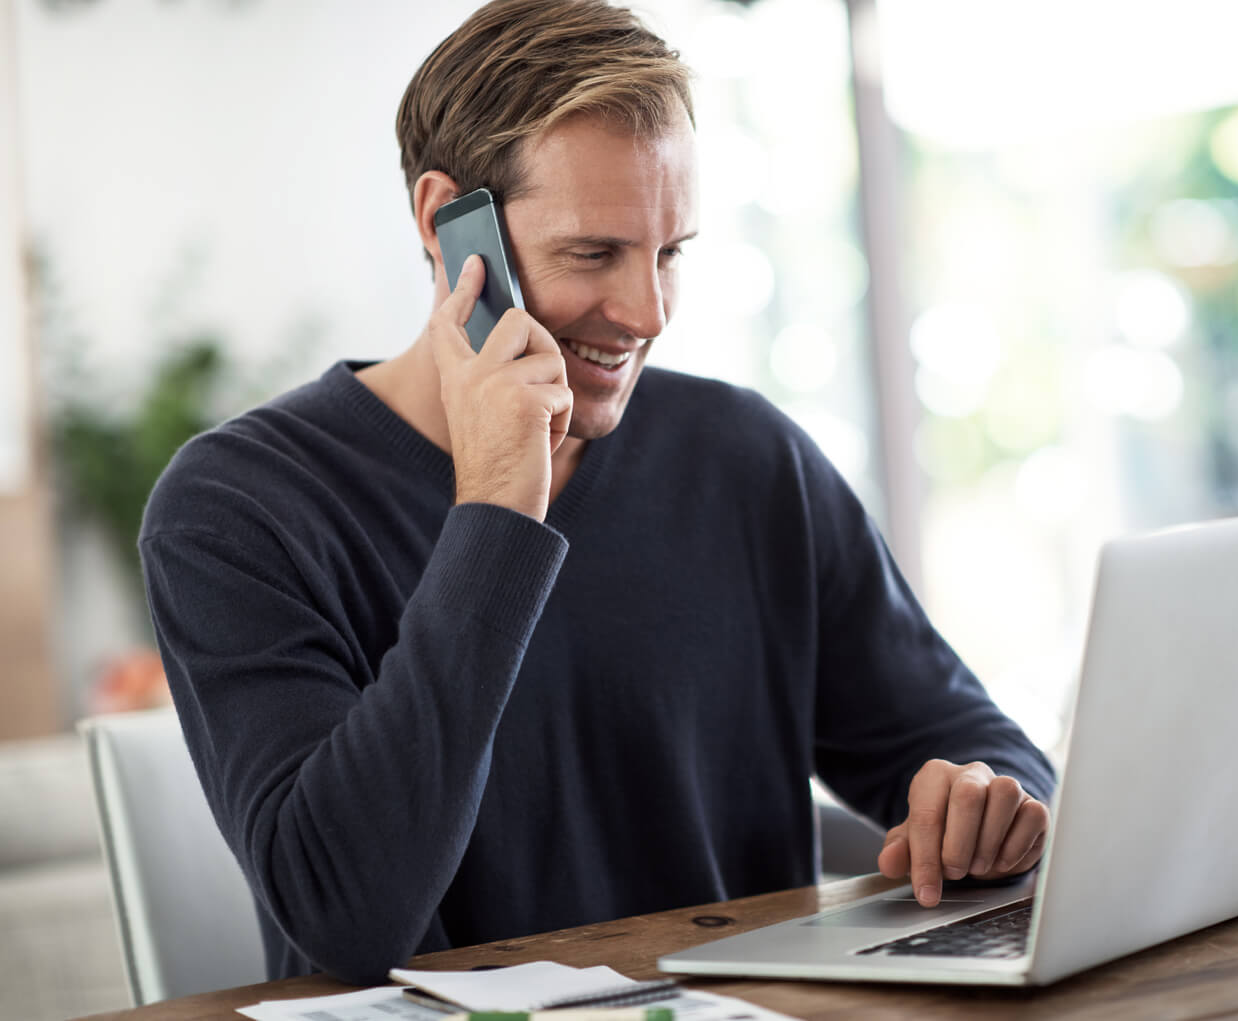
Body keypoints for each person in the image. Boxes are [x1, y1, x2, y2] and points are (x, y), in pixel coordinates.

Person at [140, 0, 1055, 986]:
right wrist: (495, 508)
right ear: (446, 225)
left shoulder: (746, 459)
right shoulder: (239, 508)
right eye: (593, 254)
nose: (646, 314)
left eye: (669, 253)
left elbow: (972, 743)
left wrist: (989, 796)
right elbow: (346, 921)